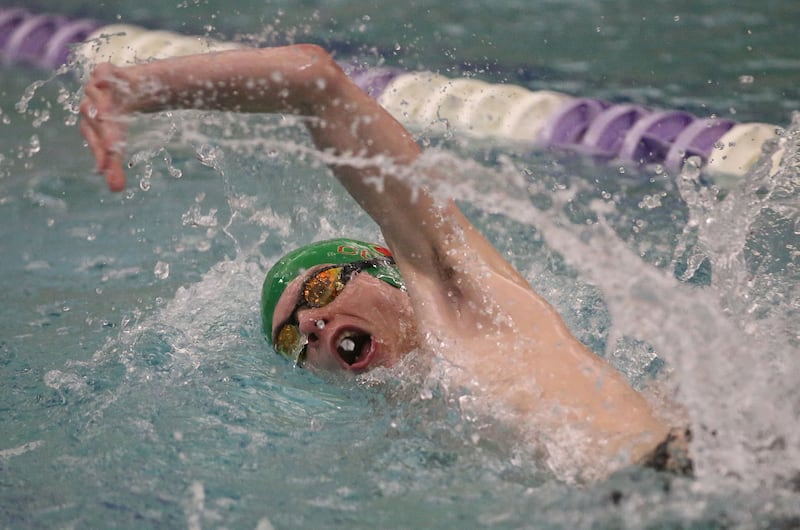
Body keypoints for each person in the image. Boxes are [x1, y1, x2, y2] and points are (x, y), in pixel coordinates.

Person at [79, 44, 689, 480]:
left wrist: (138, 88)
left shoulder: (462, 298)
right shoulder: (424, 422)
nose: (312, 324)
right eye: (292, 335)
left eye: (317, 289)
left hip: (671, 477)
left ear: (382, 264)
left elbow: (313, 81)